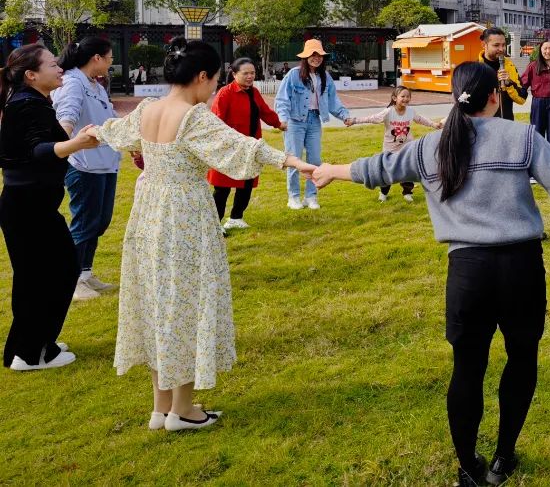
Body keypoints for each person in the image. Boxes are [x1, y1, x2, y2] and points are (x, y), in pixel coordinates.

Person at [310, 62, 550, 486]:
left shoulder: (429, 146)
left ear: (455, 97)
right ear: (495, 96)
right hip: (521, 268)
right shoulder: (521, 136)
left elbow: (380, 167)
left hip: (467, 274)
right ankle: (503, 457)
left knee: (467, 369)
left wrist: (331, 170)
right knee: (521, 359)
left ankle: (468, 466)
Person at [90, 39, 316, 431]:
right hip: (184, 218)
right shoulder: (193, 117)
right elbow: (244, 148)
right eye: (213, 80)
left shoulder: (147, 109)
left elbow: (116, 132)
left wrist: (95, 130)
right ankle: (183, 410)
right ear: (201, 77)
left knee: (158, 303)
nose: (214, 88)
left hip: (148, 216)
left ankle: (161, 408)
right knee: (186, 304)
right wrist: (293, 161)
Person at [1, 44, 100, 371]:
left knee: (43, 275)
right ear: (31, 74)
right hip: (28, 206)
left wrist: (75, 138)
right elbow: (38, 151)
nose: (60, 69)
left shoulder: (30, 101)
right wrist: (76, 144)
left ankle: (31, 346)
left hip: (32, 205)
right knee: (50, 275)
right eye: (52, 64)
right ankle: (31, 354)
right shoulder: (25, 103)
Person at [52, 35, 121, 301]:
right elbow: (66, 118)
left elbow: (111, 119)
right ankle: (72, 279)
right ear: (97, 58)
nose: (111, 62)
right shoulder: (72, 83)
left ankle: (85, 271)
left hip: (105, 162)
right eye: (110, 57)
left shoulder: (96, 84)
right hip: (82, 164)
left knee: (99, 222)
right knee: (84, 223)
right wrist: (61, 146)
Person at [274, 39, 356, 210]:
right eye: (313, 55)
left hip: (314, 121)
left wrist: (344, 116)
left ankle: (311, 196)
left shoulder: (325, 77)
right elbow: (282, 99)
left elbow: (333, 101)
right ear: (305, 57)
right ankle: (293, 197)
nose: (316, 58)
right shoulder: (293, 75)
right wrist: (283, 119)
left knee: (315, 160)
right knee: (294, 159)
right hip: (295, 121)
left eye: (319, 55)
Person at [209, 57, 286, 231]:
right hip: (229, 149)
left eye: (252, 73)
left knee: (246, 184)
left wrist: (278, 124)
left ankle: (236, 217)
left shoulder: (254, 92)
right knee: (222, 188)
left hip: (250, 147)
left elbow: (265, 112)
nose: (250, 76)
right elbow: (216, 123)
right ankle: (214, 225)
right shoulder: (225, 93)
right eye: (245, 73)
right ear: (234, 74)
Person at [352, 86, 441, 203]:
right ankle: (383, 193)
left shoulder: (410, 111)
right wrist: (354, 120)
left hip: (407, 148)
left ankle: (407, 192)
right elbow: (372, 118)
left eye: (408, 96)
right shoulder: (389, 112)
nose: (406, 99)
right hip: (390, 148)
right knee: (386, 171)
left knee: (408, 170)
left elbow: (420, 119)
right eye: (402, 96)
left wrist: (434, 125)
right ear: (394, 98)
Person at [478, 27, 526, 120]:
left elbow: (522, 99)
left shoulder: (510, 66)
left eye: (503, 45)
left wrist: (509, 83)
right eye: (496, 45)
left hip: (506, 123)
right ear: (484, 45)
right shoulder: (476, 69)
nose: (501, 49)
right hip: (484, 124)